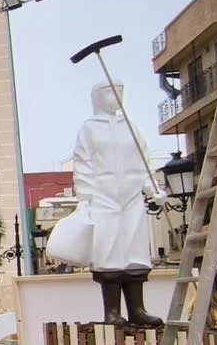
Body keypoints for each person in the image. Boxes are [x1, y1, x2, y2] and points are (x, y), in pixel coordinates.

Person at [64, 79, 166, 328]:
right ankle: (112, 311)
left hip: (131, 197)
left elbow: (144, 160)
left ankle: (137, 310)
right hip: (103, 198)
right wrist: (85, 199)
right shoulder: (89, 129)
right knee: (107, 252)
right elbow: (83, 164)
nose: (118, 96)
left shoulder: (130, 127)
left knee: (134, 250)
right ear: (98, 96)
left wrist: (153, 189)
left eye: (121, 91)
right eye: (112, 91)